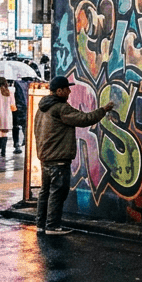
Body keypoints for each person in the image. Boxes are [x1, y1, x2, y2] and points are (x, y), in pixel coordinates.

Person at [35, 76, 115, 235]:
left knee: (45, 192)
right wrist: (104, 110)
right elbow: (84, 119)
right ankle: (52, 226)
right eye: (67, 89)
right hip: (58, 160)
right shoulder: (61, 108)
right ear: (59, 91)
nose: (69, 92)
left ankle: (41, 225)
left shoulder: (42, 108)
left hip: (45, 158)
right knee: (58, 193)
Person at [11, 77, 29, 155]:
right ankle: (26, 141)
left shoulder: (16, 83)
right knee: (25, 126)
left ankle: (17, 145)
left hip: (17, 108)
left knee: (15, 127)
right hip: (26, 108)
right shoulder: (29, 84)